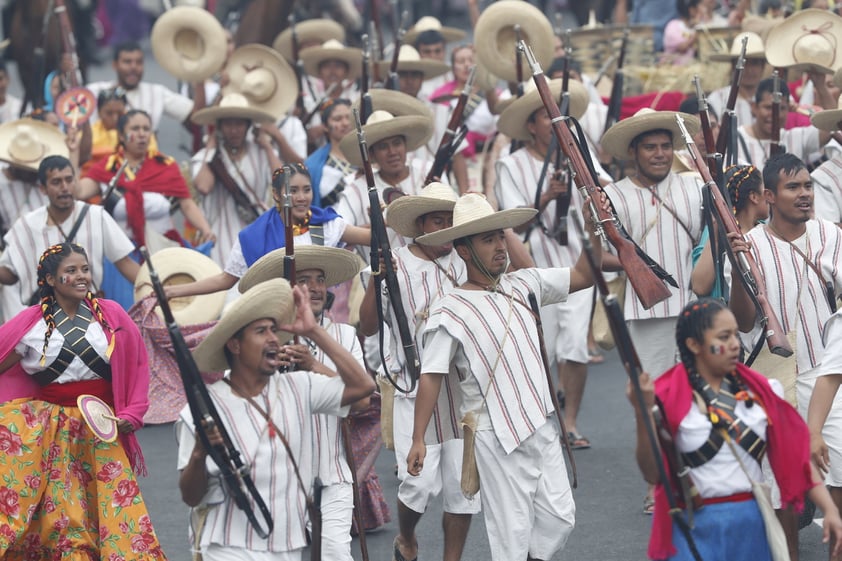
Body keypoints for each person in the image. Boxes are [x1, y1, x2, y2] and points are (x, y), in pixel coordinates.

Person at [407, 192, 603, 561]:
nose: (500, 246)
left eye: (501, 236)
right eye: (488, 239)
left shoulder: (524, 283)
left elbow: (582, 276)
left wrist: (592, 232)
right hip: (493, 433)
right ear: (463, 251)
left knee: (561, 518)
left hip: (541, 422)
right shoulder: (449, 309)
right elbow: (431, 375)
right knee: (511, 536)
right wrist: (419, 438)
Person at [176, 278, 377, 561]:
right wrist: (199, 453)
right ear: (234, 345)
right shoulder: (203, 409)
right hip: (227, 546)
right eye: (261, 331)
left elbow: (363, 389)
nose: (273, 338)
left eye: (273, 329)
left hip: (287, 546)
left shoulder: (300, 386)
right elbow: (191, 496)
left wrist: (314, 331)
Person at [628, 298, 842, 561]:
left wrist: (828, 508)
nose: (734, 344)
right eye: (723, 336)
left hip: (750, 522)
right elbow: (652, 472)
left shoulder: (762, 391)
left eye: (735, 335)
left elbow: (796, 456)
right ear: (694, 344)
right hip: (695, 523)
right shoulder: (667, 397)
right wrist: (643, 413)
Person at [0, 242, 166, 559]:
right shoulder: (30, 325)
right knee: (66, 519)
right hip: (50, 433)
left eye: (85, 269)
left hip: (102, 430)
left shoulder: (111, 315)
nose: (81, 277)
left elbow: (138, 365)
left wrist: (132, 413)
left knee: (116, 512)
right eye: (71, 271)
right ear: (50, 280)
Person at [729, 153, 842, 558]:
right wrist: (737, 265)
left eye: (808, 186)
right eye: (793, 187)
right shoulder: (751, 245)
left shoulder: (832, 235)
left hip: (829, 373)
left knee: (839, 478)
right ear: (768, 197)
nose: (805, 194)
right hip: (771, 376)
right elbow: (742, 322)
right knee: (781, 487)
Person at [358, 183, 479, 561]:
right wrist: (377, 278)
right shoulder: (394, 262)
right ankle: (407, 538)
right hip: (412, 386)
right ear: (419, 225)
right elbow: (367, 327)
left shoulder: (466, 257)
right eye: (437, 221)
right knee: (418, 485)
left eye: (450, 221)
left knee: (464, 489)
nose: (444, 229)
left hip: (464, 388)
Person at [237, 244, 376, 559]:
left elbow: (362, 403)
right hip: (279, 476)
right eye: (304, 280)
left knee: (336, 554)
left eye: (319, 279)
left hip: (333, 471)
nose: (313, 287)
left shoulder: (343, 335)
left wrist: (314, 366)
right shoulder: (265, 339)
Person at [494, 77, 598, 449]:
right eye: (544, 116)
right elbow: (510, 222)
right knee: (543, 348)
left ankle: (570, 422)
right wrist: (546, 196)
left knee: (575, 347)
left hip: (577, 264)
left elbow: (604, 193)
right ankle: (544, 418)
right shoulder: (511, 165)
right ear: (530, 126)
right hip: (533, 267)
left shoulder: (579, 153)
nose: (553, 123)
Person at [164, 163, 370, 300]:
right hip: (276, 320)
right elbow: (224, 280)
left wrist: (391, 219)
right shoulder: (253, 237)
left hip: (318, 316)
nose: (301, 197)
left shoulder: (325, 223)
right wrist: (174, 291)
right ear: (276, 194)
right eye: (292, 190)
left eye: (306, 190)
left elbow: (370, 237)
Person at [0, 155, 138, 320]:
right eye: (56, 182)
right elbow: (11, 274)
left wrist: (157, 288)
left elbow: (126, 263)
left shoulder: (96, 216)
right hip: (43, 321)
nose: (64, 187)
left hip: (89, 316)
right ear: (42, 188)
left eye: (69, 180)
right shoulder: (26, 225)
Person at [78, 109, 215, 249]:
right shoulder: (108, 168)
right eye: (135, 129)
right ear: (121, 136)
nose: (142, 134)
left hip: (162, 250)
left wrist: (206, 230)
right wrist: (73, 152)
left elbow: (187, 204)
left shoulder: (166, 166)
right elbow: (78, 192)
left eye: (146, 129)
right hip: (119, 255)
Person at [190, 103, 282, 267]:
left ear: (248, 126)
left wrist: (267, 146)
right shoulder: (207, 157)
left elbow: (283, 183)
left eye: (239, 124)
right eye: (228, 124)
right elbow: (204, 186)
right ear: (219, 127)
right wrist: (210, 148)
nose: (234, 130)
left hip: (257, 235)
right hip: (219, 239)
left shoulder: (261, 153)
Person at [690, 165, 769, 299]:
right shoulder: (715, 231)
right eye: (766, 191)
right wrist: (716, 237)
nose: (770, 196)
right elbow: (699, 287)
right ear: (754, 197)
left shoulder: (767, 229)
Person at [86, 41, 202, 131]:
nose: (133, 67)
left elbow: (197, 115)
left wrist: (200, 76)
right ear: (115, 65)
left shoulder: (156, 92)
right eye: (127, 62)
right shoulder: (93, 91)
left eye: (139, 62)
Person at [737, 76, 835, 169]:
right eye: (768, 108)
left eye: (782, 108)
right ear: (754, 107)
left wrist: (820, 85)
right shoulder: (735, 138)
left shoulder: (795, 138)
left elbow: (833, 125)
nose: (776, 114)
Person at [83, 86, 160, 176]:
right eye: (109, 113)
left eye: (120, 113)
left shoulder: (140, 132)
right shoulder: (89, 135)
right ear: (99, 113)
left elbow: (151, 155)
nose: (115, 118)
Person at [706, 32, 768, 127]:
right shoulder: (717, 99)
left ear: (763, 66)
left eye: (755, 63)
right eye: (744, 63)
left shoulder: (772, 97)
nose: (749, 70)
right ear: (733, 67)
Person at [304, 98, 356, 208]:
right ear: (325, 126)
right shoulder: (312, 166)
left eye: (348, 117)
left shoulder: (368, 156)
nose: (345, 123)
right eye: (337, 119)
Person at [662, 0, 700, 65]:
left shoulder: (697, 27)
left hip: (691, 68)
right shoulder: (673, 26)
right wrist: (696, 35)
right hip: (674, 69)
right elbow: (682, 47)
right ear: (692, 10)